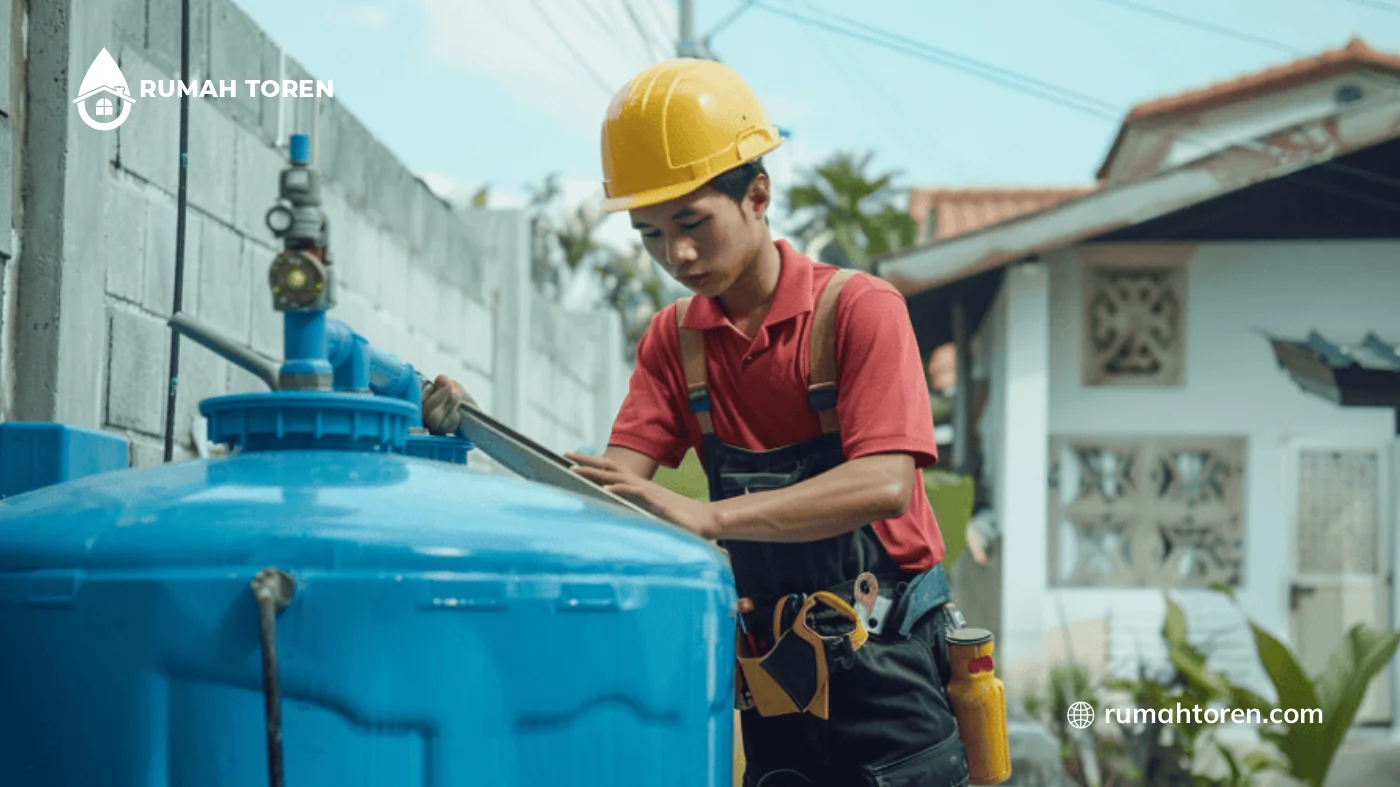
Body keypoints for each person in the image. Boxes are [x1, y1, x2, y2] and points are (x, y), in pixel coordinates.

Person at [424, 59, 970, 787]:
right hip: (775, 679)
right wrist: (478, 426)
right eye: (649, 233)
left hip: (889, 668)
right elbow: (610, 492)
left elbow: (884, 484)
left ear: (758, 196)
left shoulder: (858, 310)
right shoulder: (675, 342)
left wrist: (711, 517)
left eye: (692, 223)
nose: (675, 255)